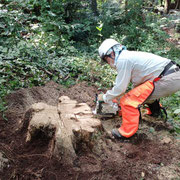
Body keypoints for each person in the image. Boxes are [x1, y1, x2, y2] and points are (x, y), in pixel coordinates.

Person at [98, 38, 180, 139]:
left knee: (128, 101)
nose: (108, 63)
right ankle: (156, 113)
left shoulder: (123, 60)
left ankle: (126, 134)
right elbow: (137, 87)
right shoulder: (128, 56)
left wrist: (106, 97)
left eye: (106, 60)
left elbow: (120, 88)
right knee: (140, 93)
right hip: (172, 74)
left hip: (169, 78)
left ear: (112, 54)